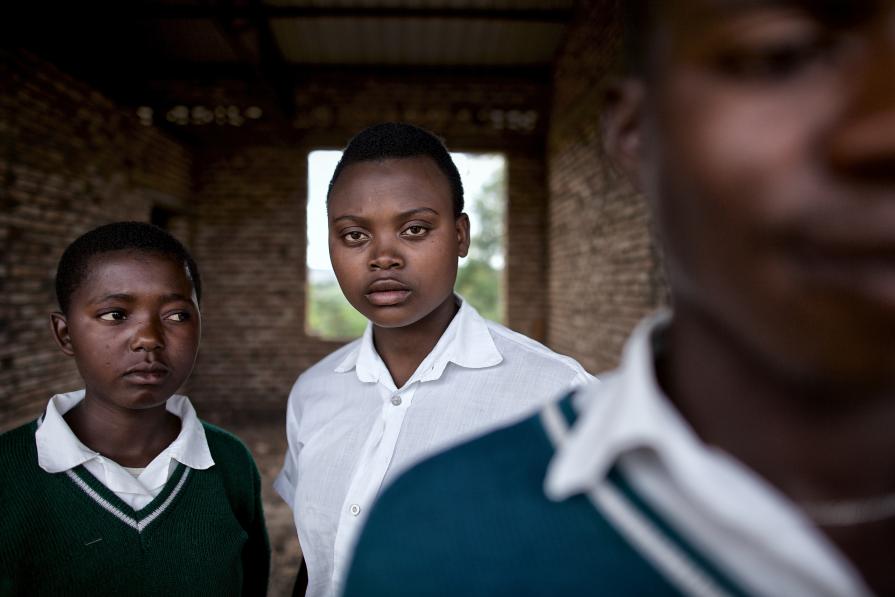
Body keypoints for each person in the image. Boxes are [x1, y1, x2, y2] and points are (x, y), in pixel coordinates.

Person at [343, 2, 895, 595]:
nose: (881, 126)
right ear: (638, 133)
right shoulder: (443, 540)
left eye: (416, 228)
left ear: (461, 236)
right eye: (781, 56)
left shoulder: (549, 383)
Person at [274, 122, 593, 597]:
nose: (383, 257)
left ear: (461, 236)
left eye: (415, 229)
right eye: (355, 235)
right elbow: (320, 555)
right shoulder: (314, 392)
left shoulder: (557, 396)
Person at [0, 222, 270, 596]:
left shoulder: (229, 462)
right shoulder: (8, 473)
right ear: (65, 334)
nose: (149, 339)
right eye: (115, 315)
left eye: (177, 315)